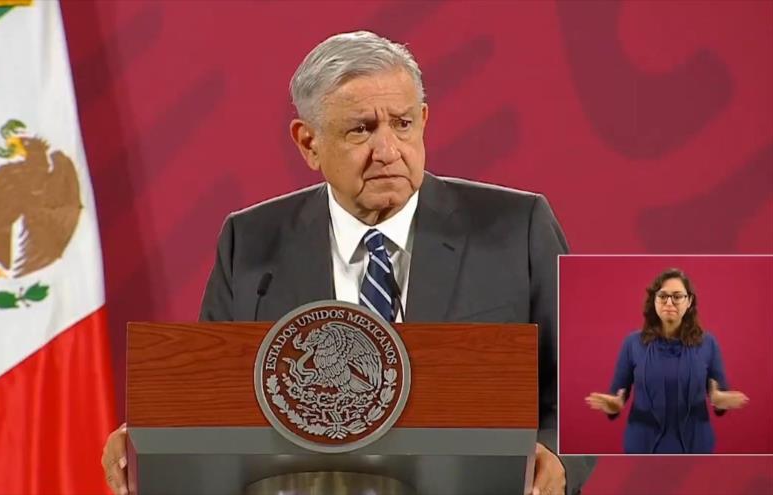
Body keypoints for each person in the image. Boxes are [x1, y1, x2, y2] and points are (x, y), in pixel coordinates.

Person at [103, 31, 595, 495]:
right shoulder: (251, 241)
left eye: (403, 124)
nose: (388, 151)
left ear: (424, 120)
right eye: (362, 129)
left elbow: (595, 374)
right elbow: (213, 400)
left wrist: (557, 456)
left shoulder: (517, 225)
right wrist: (148, 441)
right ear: (308, 143)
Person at [585, 268, 749, 454]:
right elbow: (617, 396)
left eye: (677, 296)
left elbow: (720, 396)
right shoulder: (632, 343)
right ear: (654, 300)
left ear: (689, 301)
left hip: (696, 448)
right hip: (642, 448)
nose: (669, 302)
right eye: (663, 296)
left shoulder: (708, 343)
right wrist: (614, 406)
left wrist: (719, 400)